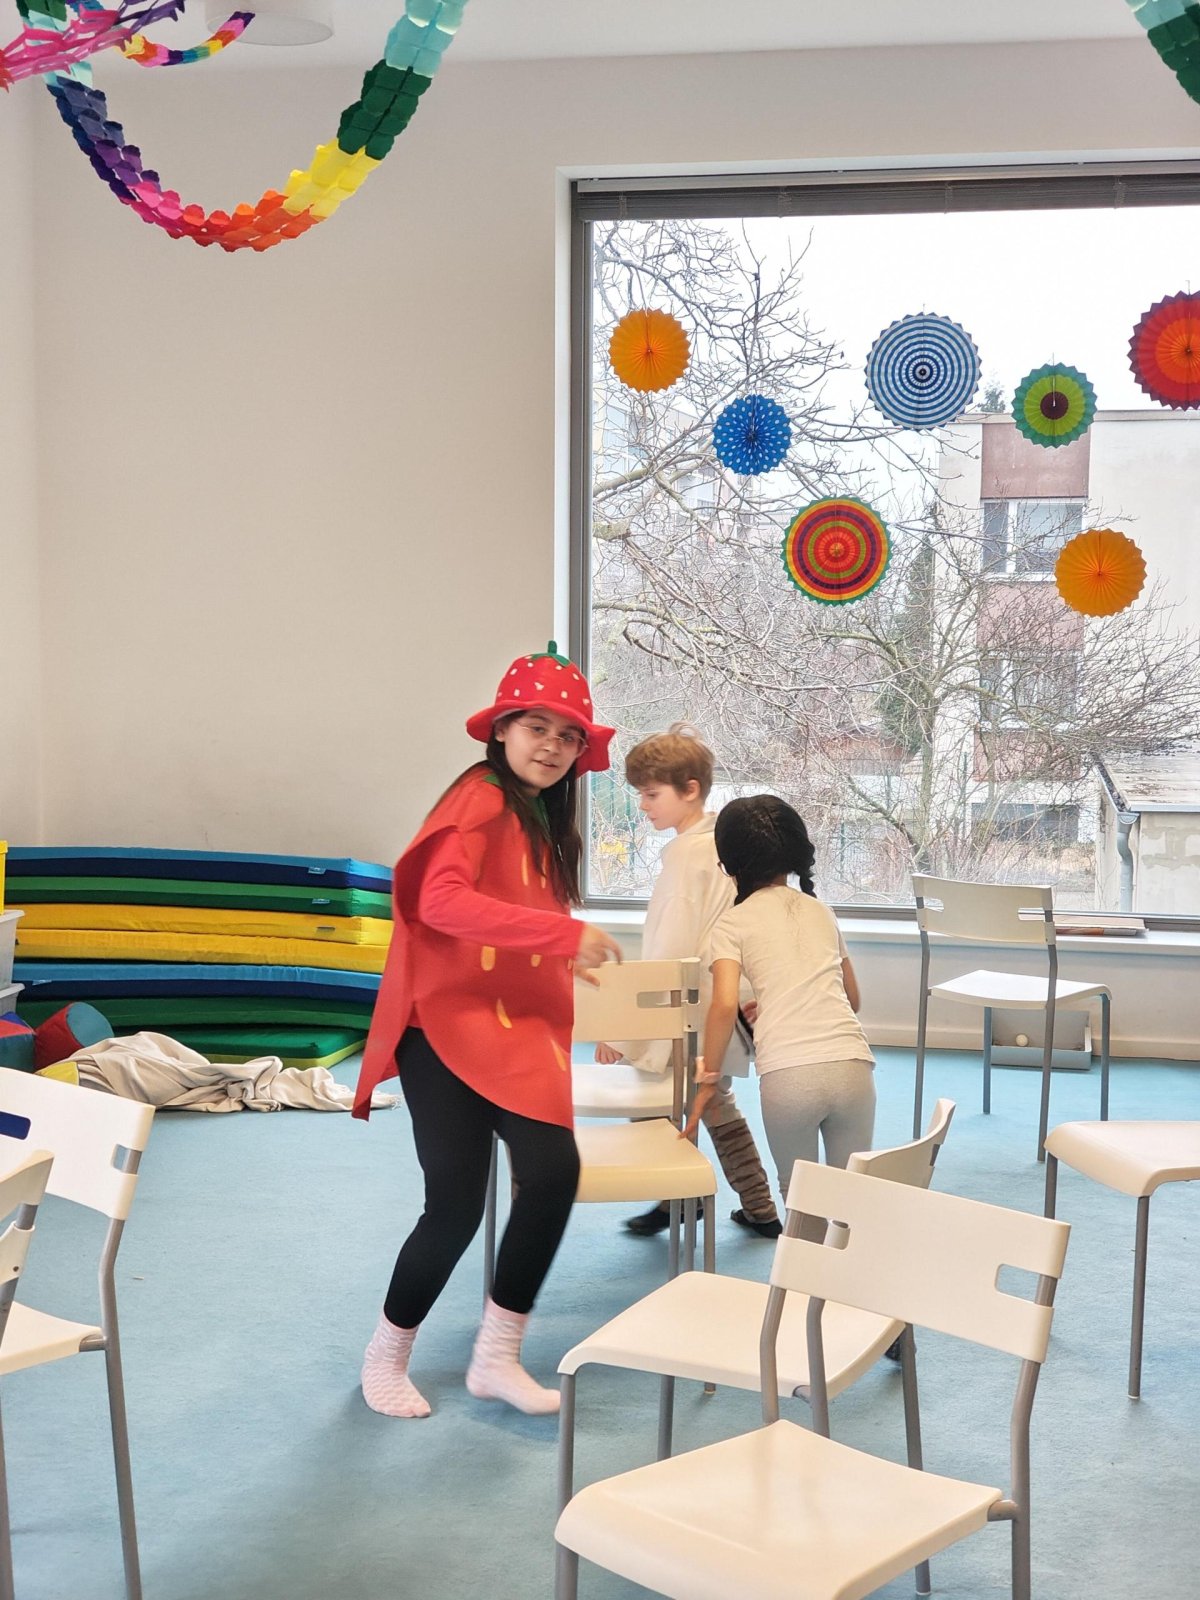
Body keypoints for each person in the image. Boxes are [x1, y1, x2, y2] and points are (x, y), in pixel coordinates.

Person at [353, 641, 622, 1419]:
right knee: (454, 1208)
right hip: (444, 1025)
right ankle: (385, 1355)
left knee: (552, 1172)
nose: (553, 746)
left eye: (568, 736)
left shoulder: (535, 815)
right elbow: (437, 903)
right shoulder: (478, 796)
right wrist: (563, 937)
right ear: (501, 729)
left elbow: (514, 908)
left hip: (510, 1028)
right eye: (537, 727)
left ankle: (496, 1356)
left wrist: (557, 951)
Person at [596, 727, 781, 1239]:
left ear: (690, 789)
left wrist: (623, 1027)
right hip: (720, 1002)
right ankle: (757, 1207)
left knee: (653, 1097)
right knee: (714, 1100)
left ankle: (680, 1195)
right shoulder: (723, 846)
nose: (643, 805)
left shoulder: (685, 856)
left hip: (687, 1007)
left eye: (651, 794)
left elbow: (668, 951)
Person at [685, 794, 874, 1234]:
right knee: (849, 1202)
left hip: (790, 1078)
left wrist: (708, 1080)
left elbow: (724, 1006)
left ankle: (803, 1279)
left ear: (729, 864)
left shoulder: (731, 924)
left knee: (802, 1205)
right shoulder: (821, 911)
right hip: (853, 1069)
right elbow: (852, 999)